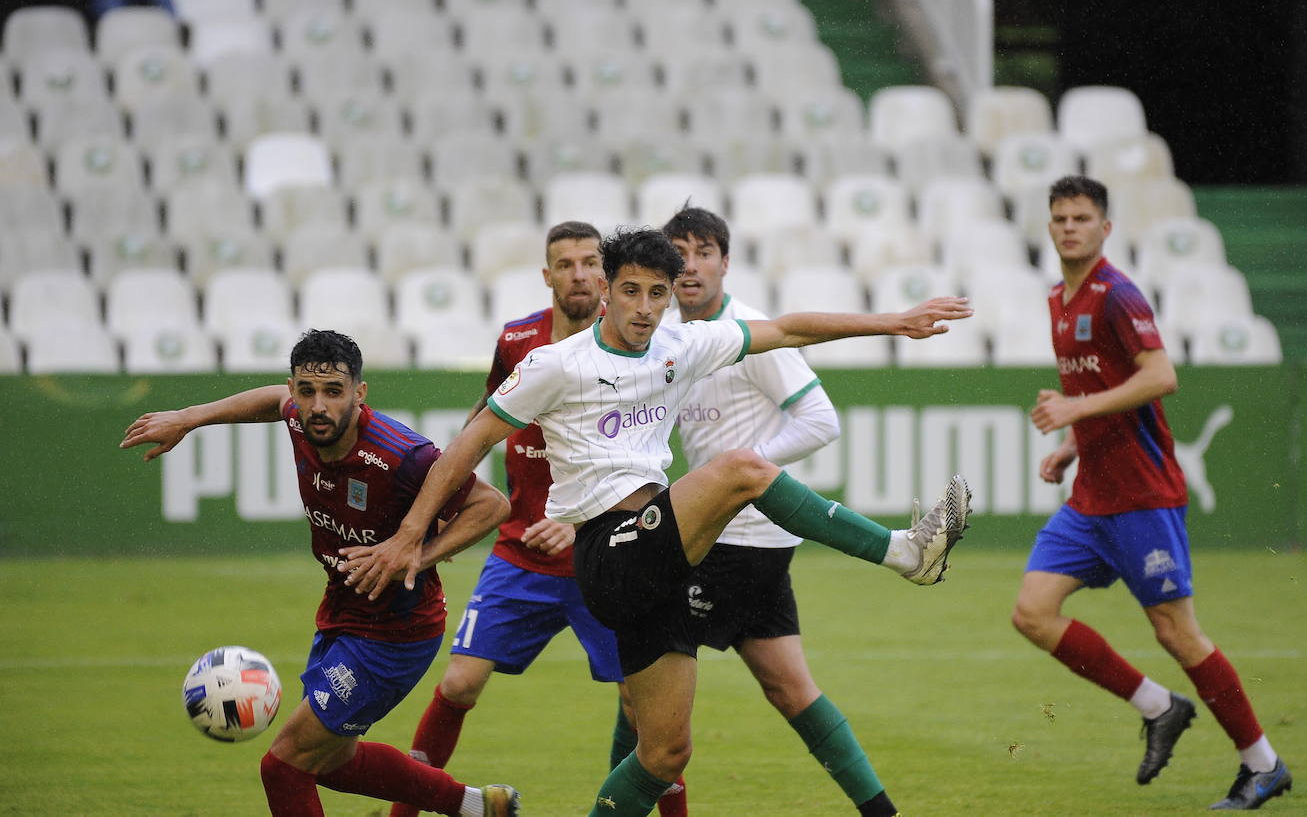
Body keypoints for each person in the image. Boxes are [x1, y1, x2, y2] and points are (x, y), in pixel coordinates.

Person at [338, 226, 974, 817]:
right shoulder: (556, 364)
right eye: (632, 291)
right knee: (740, 469)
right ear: (608, 291)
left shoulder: (681, 344)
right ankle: (903, 553)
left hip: (658, 563)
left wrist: (894, 322)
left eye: (658, 294)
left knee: (664, 752)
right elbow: (470, 443)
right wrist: (409, 534)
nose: (644, 307)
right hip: (609, 553)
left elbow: (786, 328)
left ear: (672, 298)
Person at [120, 329, 521, 817]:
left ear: (359, 393)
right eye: (306, 391)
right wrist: (188, 418)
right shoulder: (299, 418)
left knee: (284, 765)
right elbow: (271, 400)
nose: (318, 406)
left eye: (334, 392)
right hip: (343, 613)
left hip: (396, 633)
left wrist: (417, 552)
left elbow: (491, 505)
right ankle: (476, 806)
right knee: (332, 762)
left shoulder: (402, 456)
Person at [1011, 176, 1292, 811]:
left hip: (1142, 495)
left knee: (1177, 634)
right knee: (1032, 612)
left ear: (1105, 229)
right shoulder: (1058, 297)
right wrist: (1072, 444)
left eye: (1082, 218)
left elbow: (1160, 376)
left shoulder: (1118, 295)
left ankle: (1263, 765)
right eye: (1059, 219)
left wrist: (1077, 407)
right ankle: (1159, 706)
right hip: (1091, 499)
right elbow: (1107, 390)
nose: (1069, 228)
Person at [390, 222, 688, 817]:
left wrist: (579, 524)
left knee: (645, 710)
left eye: (587, 263)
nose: (578, 274)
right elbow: (484, 418)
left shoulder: (644, 352)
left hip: (606, 555)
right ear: (547, 275)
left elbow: (636, 465)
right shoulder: (521, 341)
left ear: (605, 278)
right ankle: (405, 809)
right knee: (457, 685)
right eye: (564, 264)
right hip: (521, 553)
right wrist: (443, 511)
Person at [661, 206, 902, 817]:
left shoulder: (748, 331)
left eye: (703, 252)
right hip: (751, 541)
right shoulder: (674, 337)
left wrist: (740, 472)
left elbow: (821, 418)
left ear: (725, 262)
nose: (690, 265)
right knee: (791, 687)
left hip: (731, 540)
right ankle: (881, 812)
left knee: (644, 698)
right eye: (679, 252)